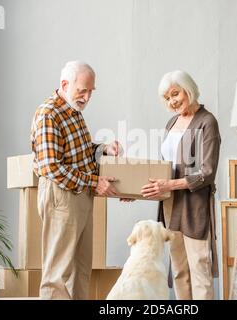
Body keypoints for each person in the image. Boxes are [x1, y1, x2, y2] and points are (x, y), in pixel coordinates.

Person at [30, 61, 122, 299]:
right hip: (61, 195)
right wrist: (94, 183)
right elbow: (52, 167)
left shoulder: (74, 111)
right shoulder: (49, 114)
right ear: (64, 84)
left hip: (80, 194)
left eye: (91, 91)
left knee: (80, 271)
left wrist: (103, 149)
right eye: (83, 90)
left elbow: (78, 153)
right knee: (57, 273)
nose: (87, 96)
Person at [141, 70, 221, 300]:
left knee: (199, 270)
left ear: (189, 90)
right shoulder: (172, 122)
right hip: (170, 205)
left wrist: (169, 185)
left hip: (194, 206)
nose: (172, 101)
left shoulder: (207, 122)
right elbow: (166, 165)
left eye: (175, 94)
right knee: (178, 272)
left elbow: (207, 173)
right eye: (166, 98)